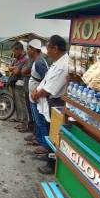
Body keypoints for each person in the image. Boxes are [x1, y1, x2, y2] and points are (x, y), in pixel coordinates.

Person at [32, 35, 69, 174]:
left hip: (56, 104)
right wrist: (36, 90)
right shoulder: (57, 62)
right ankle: (49, 156)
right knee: (50, 132)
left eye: (48, 47)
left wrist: (36, 93)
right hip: (48, 102)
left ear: (55, 48)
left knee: (54, 135)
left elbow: (50, 89)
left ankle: (52, 163)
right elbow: (45, 81)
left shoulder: (64, 65)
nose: (46, 50)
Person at [25, 39, 49, 155]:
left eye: (29, 48)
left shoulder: (39, 62)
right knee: (36, 119)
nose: (27, 50)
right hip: (34, 95)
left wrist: (37, 91)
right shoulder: (36, 60)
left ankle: (45, 144)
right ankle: (39, 138)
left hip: (37, 96)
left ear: (34, 50)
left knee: (40, 121)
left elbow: (47, 80)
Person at [8, 41, 29, 130]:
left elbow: (17, 71)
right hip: (14, 83)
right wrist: (14, 68)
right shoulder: (17, 58)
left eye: (15, 51)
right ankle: (18, 118)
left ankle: (24, 123)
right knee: (17, 102)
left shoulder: (25, 59)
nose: (14, 53)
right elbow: (10, 67)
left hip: (21, 84)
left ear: (20, 50)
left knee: (22, 104)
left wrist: (14, 68)